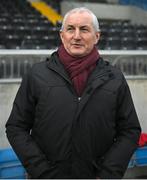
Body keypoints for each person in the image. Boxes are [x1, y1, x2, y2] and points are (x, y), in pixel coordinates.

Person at [6, 7, 141, 179]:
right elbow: (16, 127)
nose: (76, 36)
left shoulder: (115, 78)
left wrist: (107, 174)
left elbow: (130, 130)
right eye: (70, 29)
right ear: (62, 36)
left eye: (84, 29)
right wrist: (42, 172)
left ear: (97, 36)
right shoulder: (36, 74)